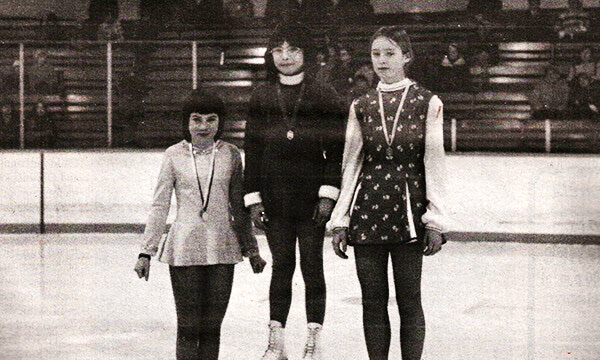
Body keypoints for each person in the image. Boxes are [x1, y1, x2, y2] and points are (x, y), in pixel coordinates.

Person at [328, 26, 448, 360]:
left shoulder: (429, 102)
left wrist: (435, 220)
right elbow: (350, 164)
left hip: (409, 209)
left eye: (390, 53)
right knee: (372, 300)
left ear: (407, 57)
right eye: (376, 54)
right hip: (368, 211)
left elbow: (434, 162)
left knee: (409, 299)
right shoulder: (361, 104)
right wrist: (340, 219)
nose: (381, 61)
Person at [134, 89, 267, 360]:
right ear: (186, 122)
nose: (204, 127)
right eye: (197, 119)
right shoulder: (174, 154)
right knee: (188, 326)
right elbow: (159, 205)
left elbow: (238, 207)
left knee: (211, 328)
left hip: (222, 247)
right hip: (184, 248)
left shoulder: (231, 154)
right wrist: (145, 252)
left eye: (211, 119)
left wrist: (251, 250)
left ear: (221, 122)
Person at [243, 22, 345, 360]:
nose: (285, 57)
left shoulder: (324, 94)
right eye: (279, 50)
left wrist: (328, 195)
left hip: (312, 198)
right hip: (274, 196)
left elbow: (337, 150)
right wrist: (253, 199)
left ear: (306, 53)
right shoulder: (260, 96)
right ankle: (277, 340)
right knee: (282, 266)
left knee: (312, 266)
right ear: (270, 56)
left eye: (293, 50)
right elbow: (252, 150)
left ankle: (314, 340)